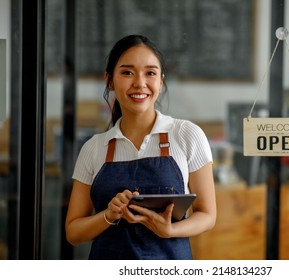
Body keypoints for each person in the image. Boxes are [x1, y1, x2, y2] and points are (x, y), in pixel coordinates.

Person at [65, 34, 216, 260]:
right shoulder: (94, 148)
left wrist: (170, 230)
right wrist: (109, 214)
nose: (140, 83)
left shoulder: (186, 135)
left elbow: (207, 215)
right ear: (109, 80)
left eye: (150, 73)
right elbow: (73, 232)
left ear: (161, 81)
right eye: (127, 72)